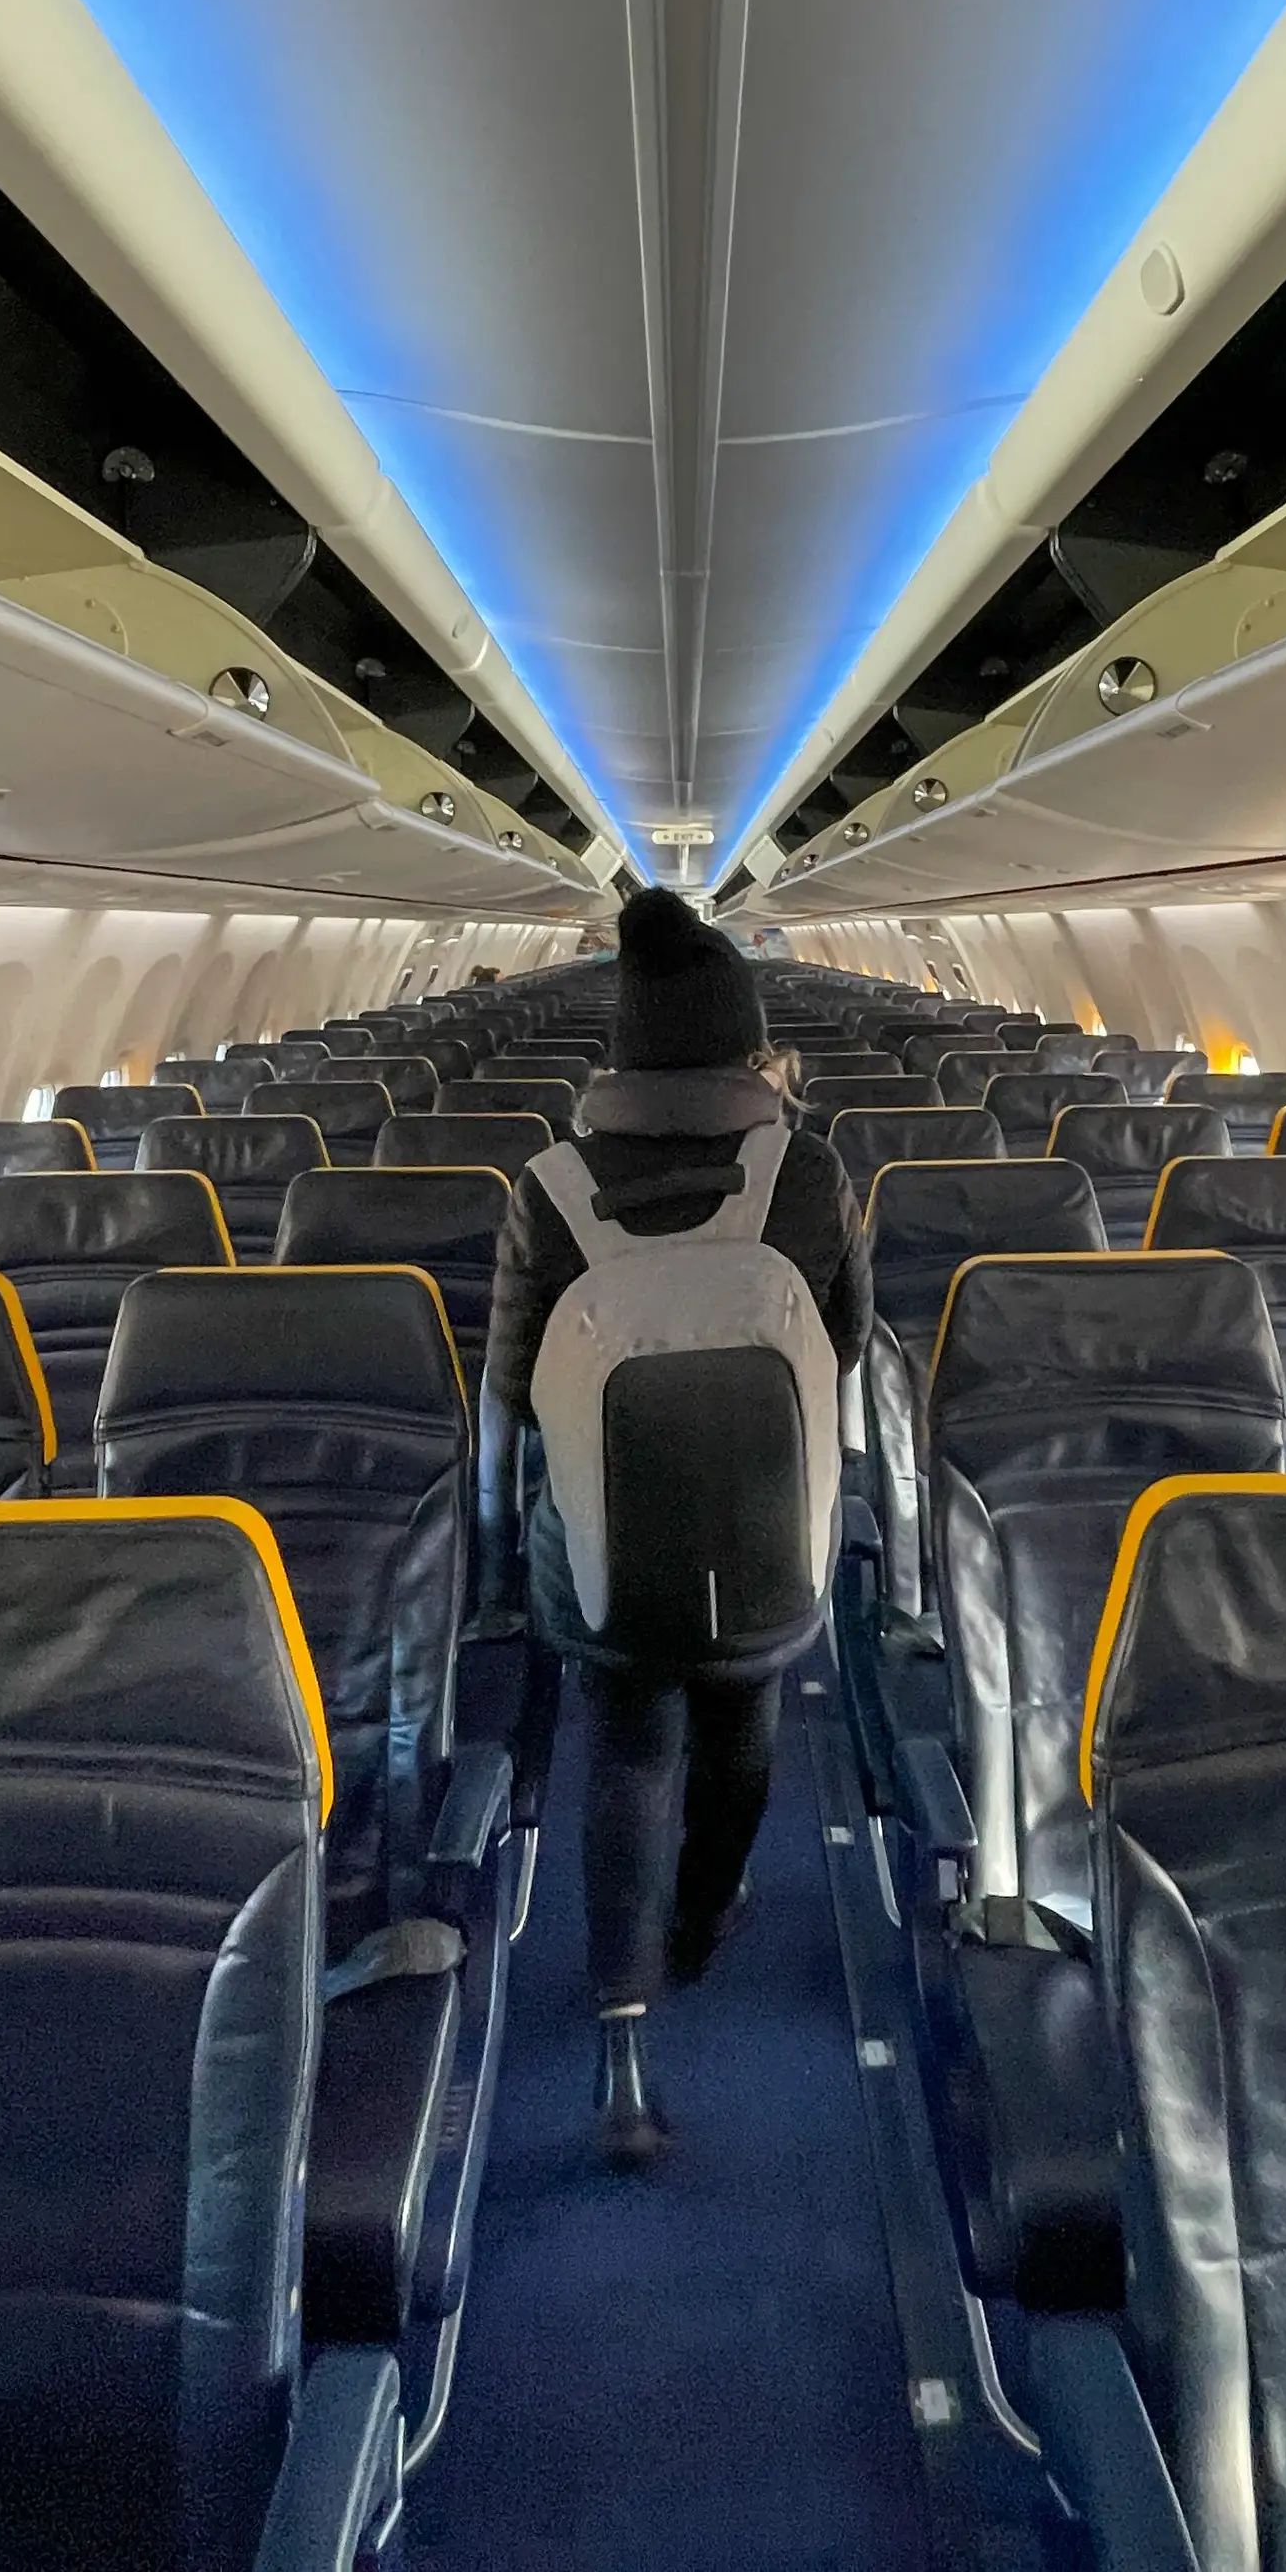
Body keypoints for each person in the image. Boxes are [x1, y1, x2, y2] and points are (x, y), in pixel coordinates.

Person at [482, 889, 868, 2170]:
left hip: (596, 1541)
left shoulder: (548, 1185)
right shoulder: (808, 1172)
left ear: (623, 1050)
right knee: (741, 1728)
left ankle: (622, 2044)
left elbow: (516, 1384)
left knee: (630, 1751)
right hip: (765, 1524)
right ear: (750, 1046)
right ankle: (704, 1919)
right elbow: (850, 1342)